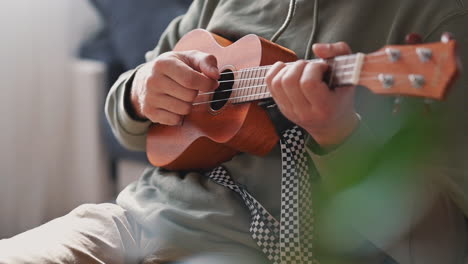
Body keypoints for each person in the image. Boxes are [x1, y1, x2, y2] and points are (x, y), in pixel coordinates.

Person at [1, 0, 467, 263]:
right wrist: (139, 92)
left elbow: (445, 246)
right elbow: (137, 127)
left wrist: (340, 134)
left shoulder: (438, 19)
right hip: (134, 222)